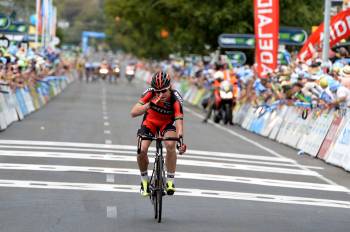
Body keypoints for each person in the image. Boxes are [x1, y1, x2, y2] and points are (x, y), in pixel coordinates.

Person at [130, 71, 187, 197]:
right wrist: (149, 104)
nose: (160, 94)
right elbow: (133, 112)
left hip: (166, 124)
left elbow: (179, 121)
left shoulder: (175, 98)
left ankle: (170, 182)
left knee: (171, 144)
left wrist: (180, 141)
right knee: (141, 149)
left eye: (164, 91)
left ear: (170, 87)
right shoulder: (150, 93)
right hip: (149, 123)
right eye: (158, 91)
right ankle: (144, 182)